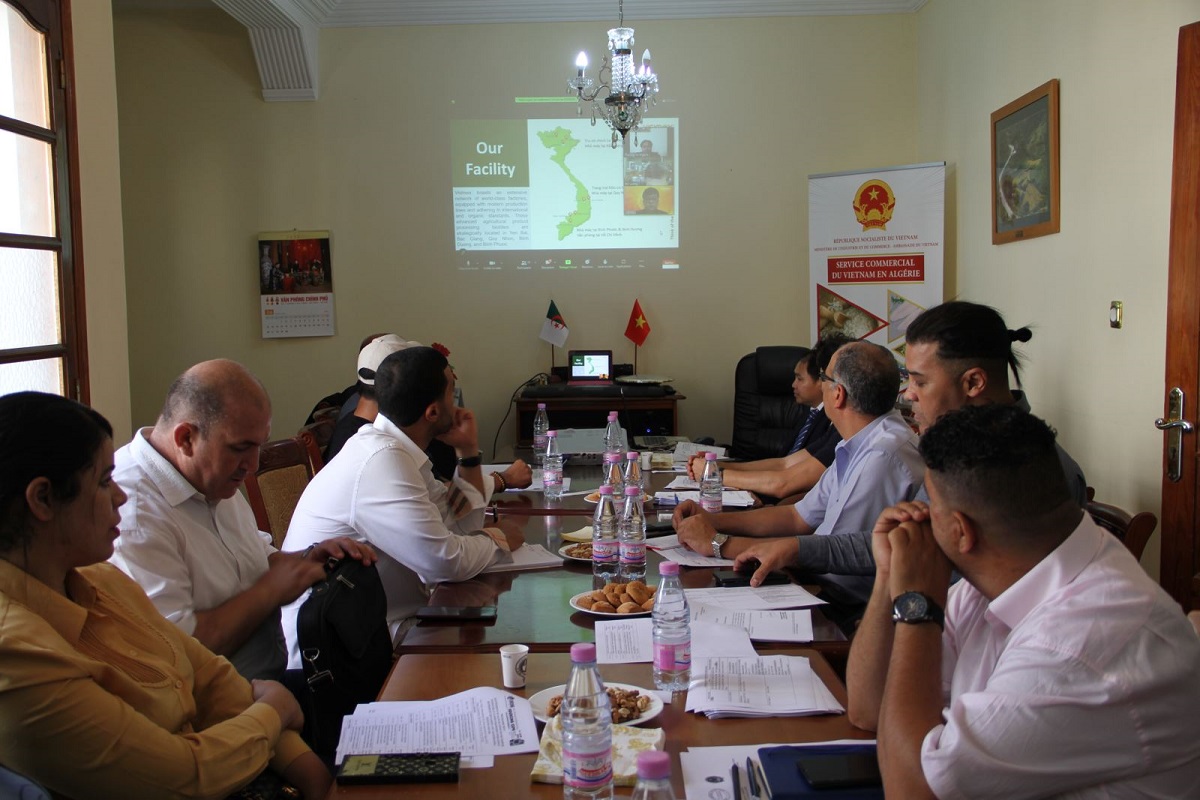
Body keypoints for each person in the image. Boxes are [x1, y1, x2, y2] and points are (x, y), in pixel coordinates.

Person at [846, 404, 1200, 798]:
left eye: (932, 506)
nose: (923, 519)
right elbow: (868, 709)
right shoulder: (1013, 568)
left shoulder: (1078, 646)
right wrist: (890, 575)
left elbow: (912, 792)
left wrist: (917, 606)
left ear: (961, 532)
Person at [0, 392, 332, 798]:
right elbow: (181, 778)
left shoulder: (101, 580)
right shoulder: (16, 654)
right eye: (104, 482)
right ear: (42, 499)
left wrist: (315, 779)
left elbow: (213, 681)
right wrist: (272, 713)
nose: (119, 496)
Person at [734, 300, 1090, 586]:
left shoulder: (1031, 466)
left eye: (920, 382)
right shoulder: (955, 450)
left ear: (973, 383)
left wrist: (782, 549)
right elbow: (901, 543)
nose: (908, 395)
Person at [110, 359, 374, 682]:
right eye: (241, 448)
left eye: (259, 445)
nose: (253, 465)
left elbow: (255, 561)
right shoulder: (133, 512)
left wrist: (305, 561)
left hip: (272, 681)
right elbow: (179, 651)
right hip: (218, 706)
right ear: (186, 439)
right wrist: (270, 590)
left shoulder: (208, 475)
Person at [280, 346, 527, 666]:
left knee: (491, 639)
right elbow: (445, 561)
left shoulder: (396, 451)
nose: (458, 403)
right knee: (495, 649)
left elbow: (459, 523)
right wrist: (498, 539)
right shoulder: (381, 460)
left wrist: (467, 452)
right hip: (333, 657)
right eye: (452, 392)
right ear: (433, 413)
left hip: (372, 629)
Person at [675, 341, 924, 604]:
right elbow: (796, 517)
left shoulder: (881, 456)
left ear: (838, 394)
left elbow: (829, 553)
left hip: (843, 603)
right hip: (819, 583)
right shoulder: (860, 441)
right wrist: (714, 520)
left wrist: (718, 543)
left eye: (824, 378)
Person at [325, 334, 532, 494]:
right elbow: (438, 520)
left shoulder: (398, 436)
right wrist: (501, 480)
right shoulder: (378, 451)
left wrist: (466, 450)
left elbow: (441, 502)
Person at [686, 335, 850, 501]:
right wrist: (716, 466)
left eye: (824, 378)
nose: (822, 385)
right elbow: (784, 464)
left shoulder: (845, 434)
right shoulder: (828, 424)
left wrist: (714, 474)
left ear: (839, 390)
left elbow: (785, 484)